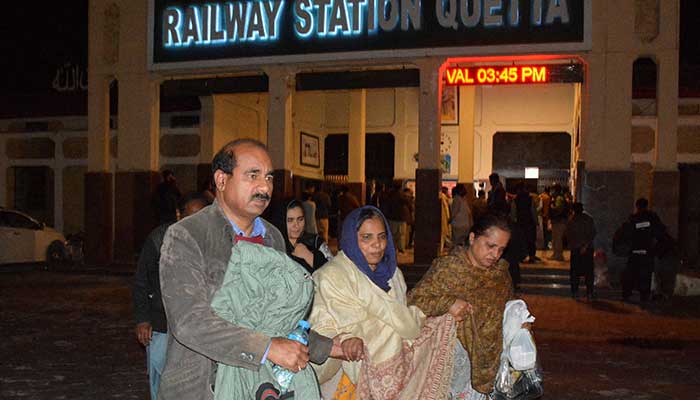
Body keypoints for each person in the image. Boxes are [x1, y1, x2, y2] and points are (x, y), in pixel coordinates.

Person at [158, 139, 360, 400]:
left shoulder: (272, 237)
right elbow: (189, 322)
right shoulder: (188, 236)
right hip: (204, 385)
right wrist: (267, 348)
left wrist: (330, 346)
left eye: (269, 177)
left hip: (260, 384)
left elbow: (278, 314)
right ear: (221, 180)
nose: (264, 187)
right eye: (252, 176)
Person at [309, 206, 468, 399]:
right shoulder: (331, 276)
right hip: (346, 373)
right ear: (351, 239)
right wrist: (345, 338)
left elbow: (405, 325)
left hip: (395, 367)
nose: (377, 245)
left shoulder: (393, 275)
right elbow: (319, 327)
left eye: (382, 236)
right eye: (367, 238)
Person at [408, 213, 514, 398]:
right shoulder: (449, 268)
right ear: (473, 238)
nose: (495, 255)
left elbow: (507, 306)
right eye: (490, 246)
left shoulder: (501, 275)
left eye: (501, 249)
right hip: (453, 359)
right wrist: (448, 303)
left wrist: (519, 319)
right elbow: (414, 299)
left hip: (490, 360)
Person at [132, 192, 209, 400]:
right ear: (178, 214)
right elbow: (141, 280)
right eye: (188, 216)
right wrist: (142, 319)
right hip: (162, 326)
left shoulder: (211, 243)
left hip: (197, 329)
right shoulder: (159, 239)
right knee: (160, 381)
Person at [621, 198, 667, 303]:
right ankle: (644, 297)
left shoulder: (633, 218)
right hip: (647, 251)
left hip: (634, 251)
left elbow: (626, 233)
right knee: (645, 275)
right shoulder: (652, 217)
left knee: (630, 273)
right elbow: (660, 232)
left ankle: (626, 294)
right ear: (647, 206)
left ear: (637, 206)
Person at [275, 198, 333, 273]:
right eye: (290, 220)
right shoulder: (274, 245)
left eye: (300, 219)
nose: (296, 225)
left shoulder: (315, 242)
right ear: (281, 221)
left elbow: (333, 274)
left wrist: (310, 257)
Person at [565, 202, 597, 300]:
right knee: (589, 272)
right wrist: (586, 245)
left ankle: (575, 292)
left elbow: (568, 236)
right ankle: (589, 293)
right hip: (587, 249)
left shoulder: (571, 220)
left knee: (574, 272)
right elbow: (592, 233)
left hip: (576, 249)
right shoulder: (589, 219)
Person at [548, 184, 569, 261]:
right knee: (555, 238)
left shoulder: (559, 198)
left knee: (558, 239)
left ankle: (558, 255)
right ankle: (556, 254)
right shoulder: (558, 197)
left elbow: (558, 209)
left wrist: (552, 208)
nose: (551, 192)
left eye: (552, 190)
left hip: (559, 221)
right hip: (558, 221)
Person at [451, 183, 474, 247]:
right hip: (465, 226)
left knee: (456, 244)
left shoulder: (456, 199)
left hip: (458, 226)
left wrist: (449, 220)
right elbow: (469, 213)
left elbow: (454, 212)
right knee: (463, 245)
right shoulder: (464, 200)